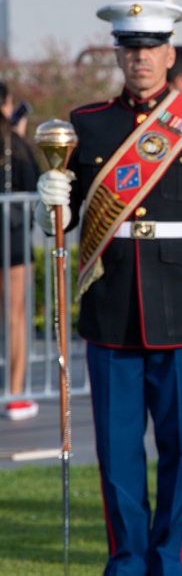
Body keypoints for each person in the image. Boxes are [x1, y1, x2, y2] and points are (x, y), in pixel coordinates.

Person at [35, 0, 182, 575]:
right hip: (112, 304)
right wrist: (51, 203)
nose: (141, 59)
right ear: (119, 55)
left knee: (181, 449)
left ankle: (173, 561)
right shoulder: (89, 123)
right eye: (130, 49)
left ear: (169, 54)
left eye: (151, 49)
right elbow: (71, 217)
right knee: (117, 452)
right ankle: (128, 561)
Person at [0, 81, 41, 420]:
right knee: (15, 318)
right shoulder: (16, 145)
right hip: (12, 240)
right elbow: (36, 183)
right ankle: (15, 394)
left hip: (10, 240)